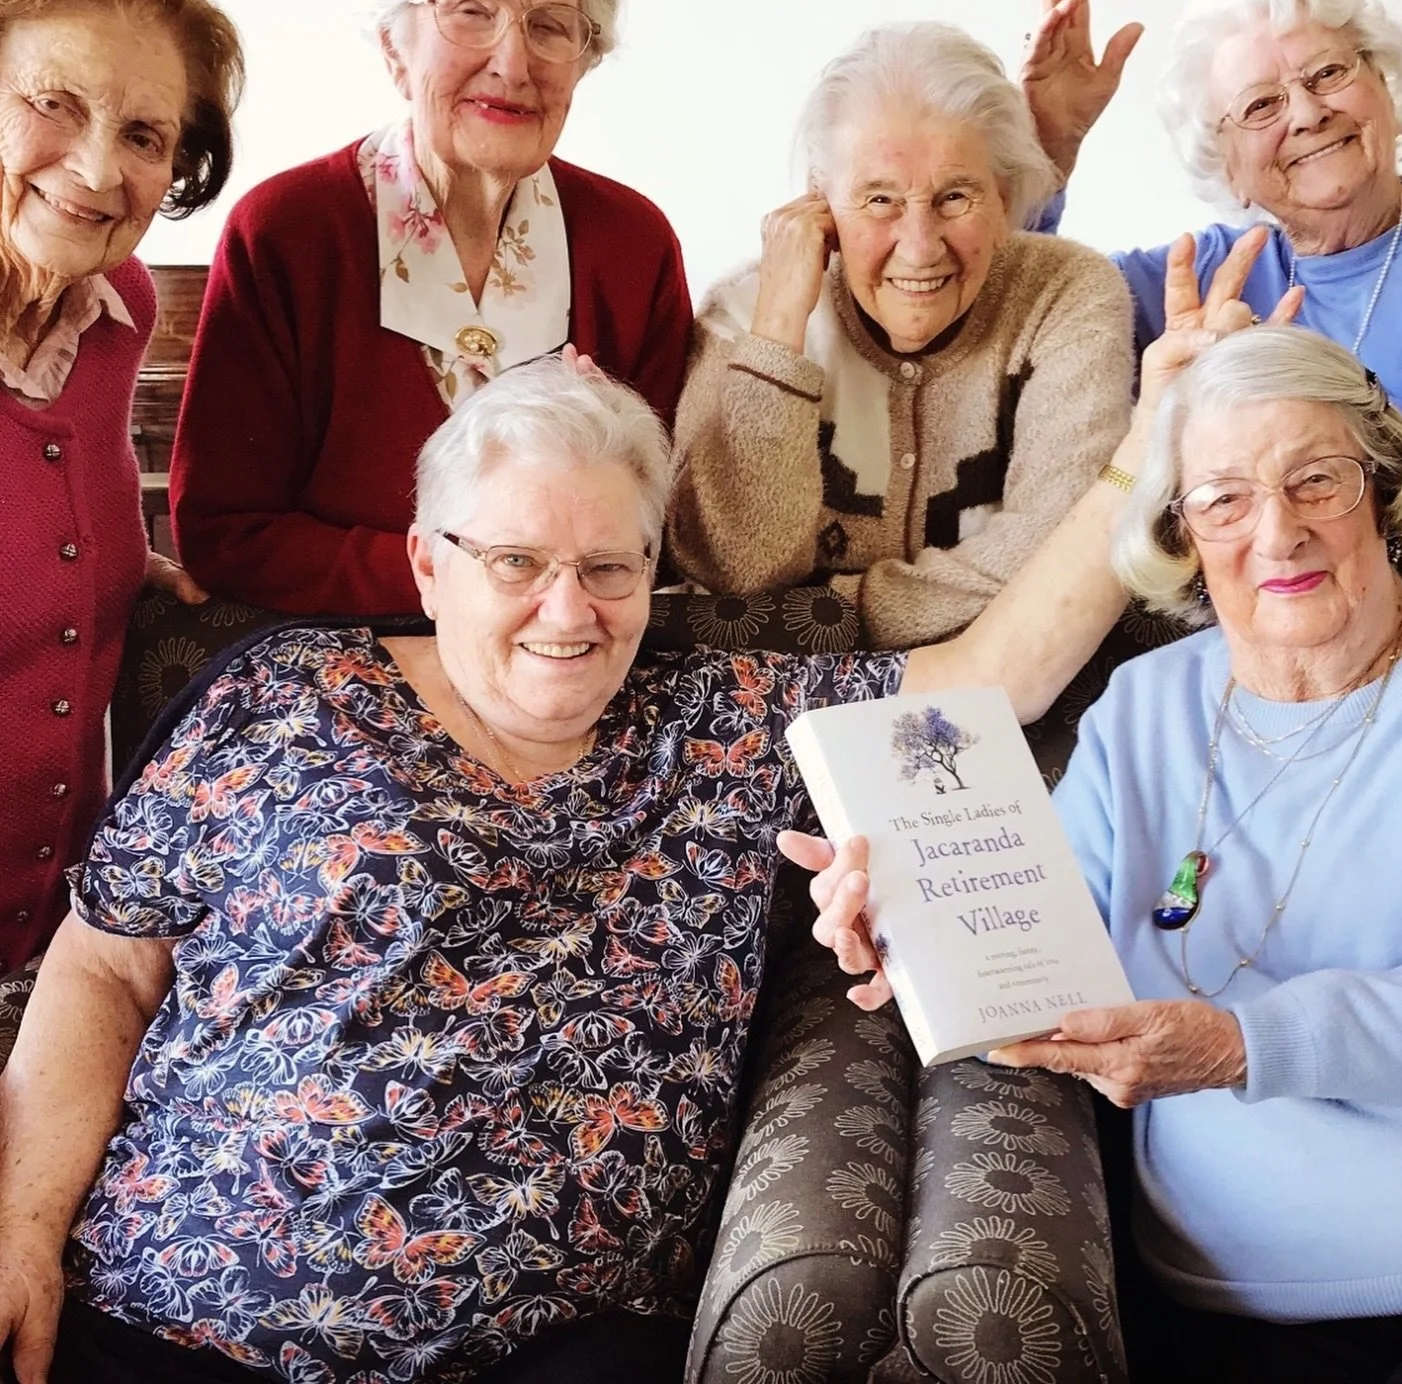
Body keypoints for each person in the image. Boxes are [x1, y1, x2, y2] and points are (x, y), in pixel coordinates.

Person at [0, 250, 1266, 1384]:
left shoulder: (723, 722)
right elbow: (109, 961)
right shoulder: (281, 695)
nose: (569, 611)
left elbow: (995, 677)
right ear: (430, 563)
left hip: (557, 1344)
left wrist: (1146, 447)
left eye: (610, 567)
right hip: (166, 1316)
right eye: (517, 564)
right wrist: (19, 1223)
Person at [789, 324, 1402, 1384]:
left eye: (1317, 480)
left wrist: (1242, 1044)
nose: (1277, 532)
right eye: (1224, 498)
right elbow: (1048, 930)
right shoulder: (1147, 706)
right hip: (1200, 1292)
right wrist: (902, 923)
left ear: (1385, 487)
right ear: (1181, 533)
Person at [170, 0, 693, 619]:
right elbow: (225, 532)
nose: (512, 62)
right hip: (346, 661)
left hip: (570, 657)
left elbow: (660, 530)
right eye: (470, 11)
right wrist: (472, 585)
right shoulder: (290, 233)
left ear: (584, 60)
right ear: (394, 44)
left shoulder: (632, 246)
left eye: (551, 26)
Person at [668, 21, 1134, 648]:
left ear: (1003, 200)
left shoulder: (1065, 295)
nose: (919, 247)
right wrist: (778, 334)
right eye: (880, 200)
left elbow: (1068, 550)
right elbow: (734, 575)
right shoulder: (746, 312)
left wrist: (826, 614)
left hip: (1009, 693)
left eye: (954, 197)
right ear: (820, 206)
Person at [0, 0, 242, 1043]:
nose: (100, 170)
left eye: (145, 133)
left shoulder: (117, 311)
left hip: (52, 959)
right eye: (53, 104)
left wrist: (111, 562)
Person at [1024, 0, 1402, 460]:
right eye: (1261, 105)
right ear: (1227, 168)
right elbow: (1018, 314)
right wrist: (1043, 154)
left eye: (1328, 73)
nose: (1309, 114)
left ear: (1384, 87)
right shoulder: (1197, 283)